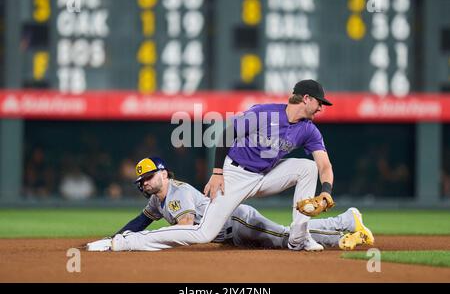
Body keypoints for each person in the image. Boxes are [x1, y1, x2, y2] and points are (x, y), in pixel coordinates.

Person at [107, 80, 352, 252]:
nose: (322, 107)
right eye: (319, 102)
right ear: (306, 98)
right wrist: (217, 173)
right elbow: (226, 135)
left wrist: (326, 191)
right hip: (236, 174)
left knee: (306, 168)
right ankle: (129, 241)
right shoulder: (264, 113)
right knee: (204, 234)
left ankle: (299, 239)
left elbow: (324, 165)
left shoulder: (309, 130)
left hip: (267, 175)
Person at [86, 157, 374, 251]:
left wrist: (129, 243)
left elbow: (187, 228)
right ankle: (347, 226)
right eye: (142, 182)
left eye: (149, 177)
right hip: (230, 233)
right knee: (284, 236)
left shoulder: (178, 193)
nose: (146, 183)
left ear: (163, 173)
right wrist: (116, 236)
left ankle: (346, 222)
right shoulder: (156, 199)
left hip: (238, 222)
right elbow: (142, 220)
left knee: (287, 239)